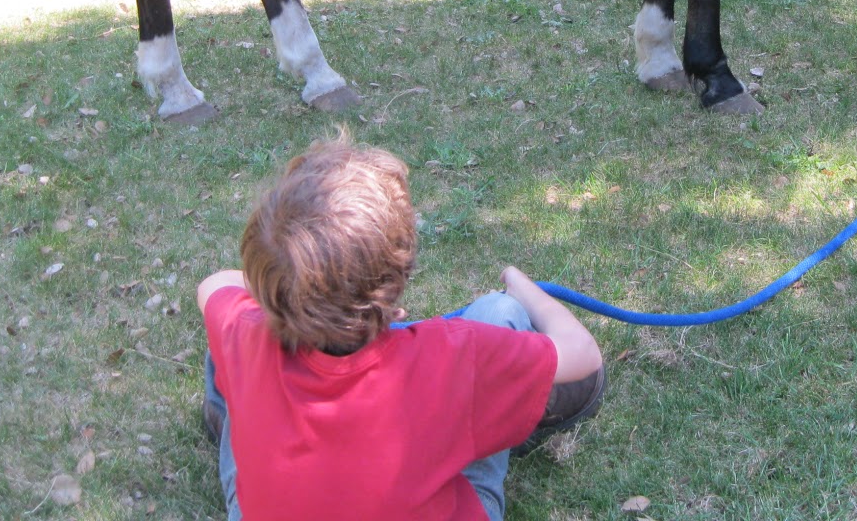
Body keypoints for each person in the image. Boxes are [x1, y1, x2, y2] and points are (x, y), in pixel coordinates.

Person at [196, 135, 605, 521]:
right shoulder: (453, 354)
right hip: (445, 395)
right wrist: (521, 285)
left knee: (231, 346)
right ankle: (508, 410)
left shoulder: (247, 333)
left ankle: (240, 424)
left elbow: (214, 284)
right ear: (398, 270)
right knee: (500, 310)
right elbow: (582, 354)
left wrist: (283, 285)